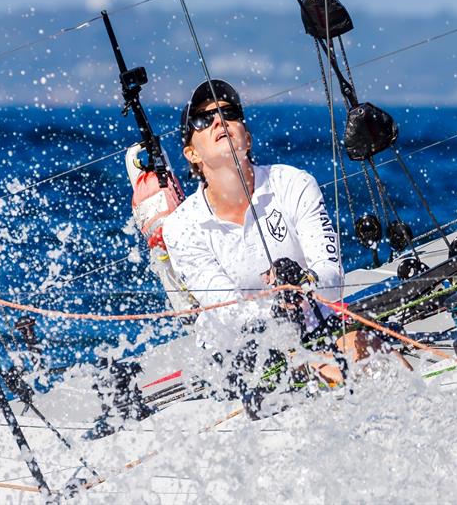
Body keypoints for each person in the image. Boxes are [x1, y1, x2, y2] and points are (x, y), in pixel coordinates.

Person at [162, 79, 398, 390]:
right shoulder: (180, 226)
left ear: (247, 136)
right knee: (326, 370)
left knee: (376, 351)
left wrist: (303, 284)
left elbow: (331, 276)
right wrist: (278, 306)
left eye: (230, 113)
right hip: (238, 354)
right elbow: (224, 307)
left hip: (316, 328)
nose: (220, 120)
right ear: (191, 154)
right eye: (204, 120)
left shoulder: (294, 184)